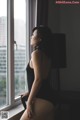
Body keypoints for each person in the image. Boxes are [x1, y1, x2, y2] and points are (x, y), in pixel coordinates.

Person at [20, 26, 55, 120]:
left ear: (39, 39)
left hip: (42, 99)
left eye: (33, 35)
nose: (31, 37)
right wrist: (29, 92)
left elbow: (38, 79)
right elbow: (43, 78)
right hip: (49, 98)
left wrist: (30, 102)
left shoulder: (36, 54)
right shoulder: (47, 55)